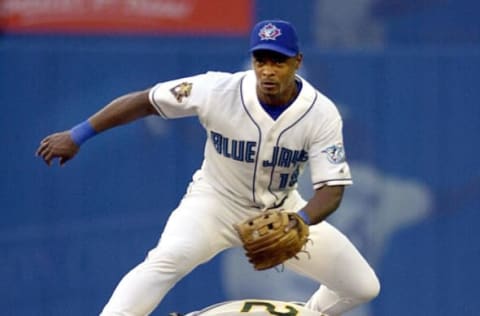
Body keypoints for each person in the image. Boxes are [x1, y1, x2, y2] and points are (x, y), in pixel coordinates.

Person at [36, 20, 380, 316]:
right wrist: (78, 134)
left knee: (362, 287)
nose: (268, 69)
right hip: (214, 204)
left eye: (279, 60)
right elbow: (145, 101)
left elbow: (332, 190)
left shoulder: (320, 113)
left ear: (297, 61)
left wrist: (299, 221)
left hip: (283, 211)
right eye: (261, 59)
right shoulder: (217, 89)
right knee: (166, 261)